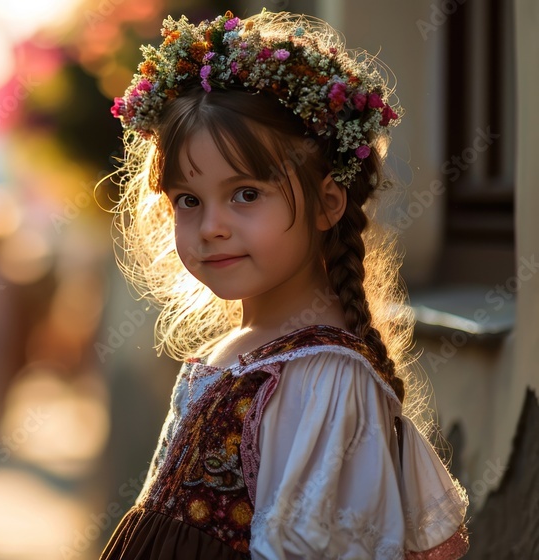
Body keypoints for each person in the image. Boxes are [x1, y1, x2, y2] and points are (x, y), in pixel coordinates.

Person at [99, 10, 468, 559]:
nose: (212, 225)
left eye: (246, 193)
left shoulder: (323, 377)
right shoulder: (248, 354)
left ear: (329, 202)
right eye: (188, 200)